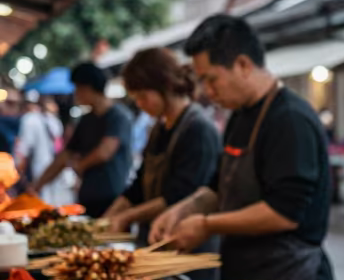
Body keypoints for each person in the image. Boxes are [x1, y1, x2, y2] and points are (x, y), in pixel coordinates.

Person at [150, 15, 334, 280]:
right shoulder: (240, 116)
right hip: (245, 273)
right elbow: (218, 185)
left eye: (211, 79)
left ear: (244, 65)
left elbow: (284, 213)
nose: (206, 91)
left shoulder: (290, 119)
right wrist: (180, 210)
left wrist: (206, 225)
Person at [104, 48, 221, 247]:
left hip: (185, 246)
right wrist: (107, 219)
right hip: (153, 239)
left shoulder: (198, 129)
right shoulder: (159, 127)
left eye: (142, 96)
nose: (140, 105)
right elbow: (139, 185)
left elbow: (179, 195)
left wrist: (126, 217)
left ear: (165, 86)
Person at [34, 63, 133, 217]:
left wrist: (79, 165)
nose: (76, 93)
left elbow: (105, 152)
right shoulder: (86, 120)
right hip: (87, 198)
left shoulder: (118, 116)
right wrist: (37, 185)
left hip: (113, 200)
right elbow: (65, 155)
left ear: (88, 88)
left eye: (78, 88)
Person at [14, 93, 59, 203]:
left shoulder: (28, 119)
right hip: (55, 171)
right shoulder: (53, 120)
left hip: (37, 173)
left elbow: (22, 152)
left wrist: (20, 176)